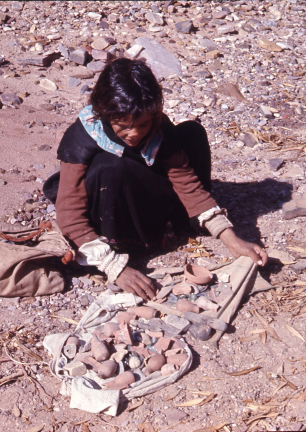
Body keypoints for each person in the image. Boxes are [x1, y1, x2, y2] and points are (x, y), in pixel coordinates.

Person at [44, 58, 267, 301]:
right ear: (106, 114)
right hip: (109, 212)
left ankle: (185, 223)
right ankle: (124, 244)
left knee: (192, 133)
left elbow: (186, 181)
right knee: (111, 165)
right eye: (123, 126)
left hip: (143, 195)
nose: (135, 133)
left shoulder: (157, 125)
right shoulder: (83, 135)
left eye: (143, 124)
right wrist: (114, 267)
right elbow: (70, 211)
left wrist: (230, 238)